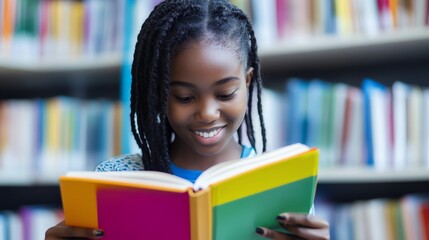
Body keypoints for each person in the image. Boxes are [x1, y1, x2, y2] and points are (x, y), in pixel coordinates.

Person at [45, 0, 330, 239]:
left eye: (226, 93)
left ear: (247, 82)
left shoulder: (282, 185)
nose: (207, 113)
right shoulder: (113, 180)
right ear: (160, 95)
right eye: (184, 97)